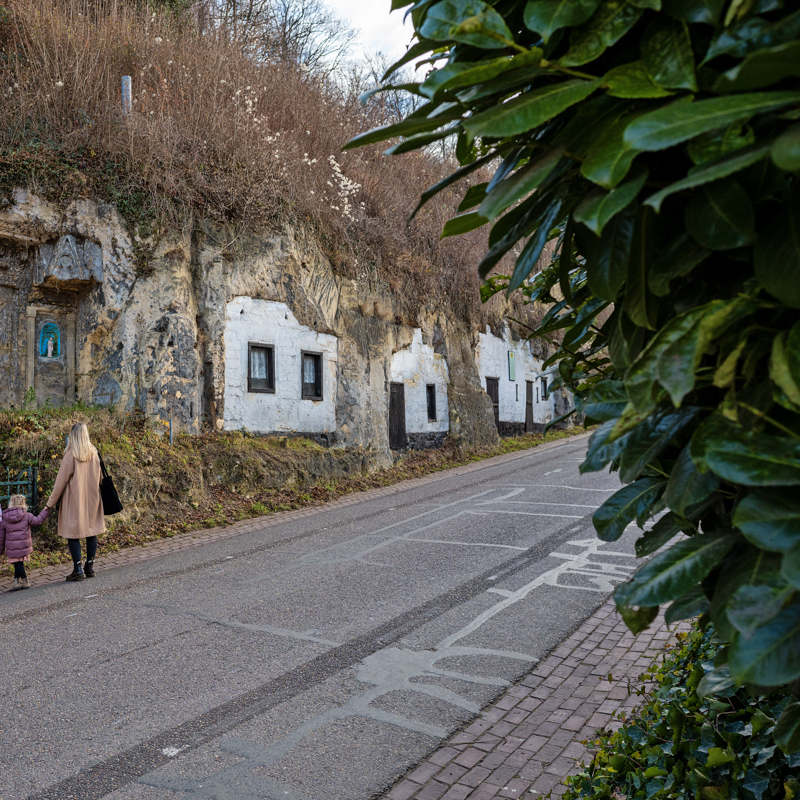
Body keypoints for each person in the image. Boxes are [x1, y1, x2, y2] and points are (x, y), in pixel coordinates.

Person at [45, 422, 104, 581]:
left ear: (73, 436)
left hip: (74, 501)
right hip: (93, 498)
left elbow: (60, 483)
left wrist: (49, 504)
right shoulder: (94, 453)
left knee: (72, 533)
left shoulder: (71, 455)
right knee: (91, 531)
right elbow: (101, 479)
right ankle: (89, 566)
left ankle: (78, 568)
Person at [1, 494, 49, 590]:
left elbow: (1, 536)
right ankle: (20, 581)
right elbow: (38, 521)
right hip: (24, 545)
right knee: (19, 563)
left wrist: (1, 549)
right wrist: (45, 510)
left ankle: (21, 581)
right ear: (22, 503)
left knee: (18, 563)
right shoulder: (27, 516)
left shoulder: (5, 519)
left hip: (12, 547)